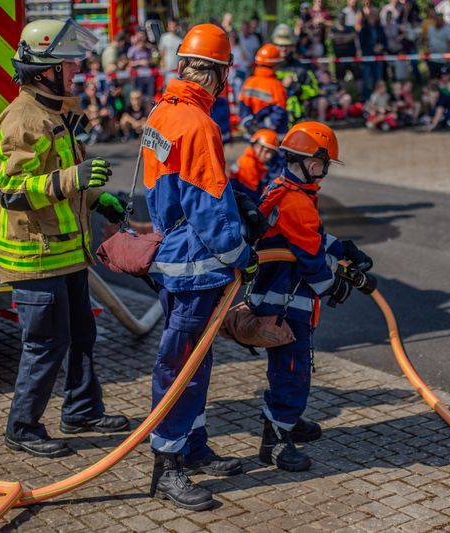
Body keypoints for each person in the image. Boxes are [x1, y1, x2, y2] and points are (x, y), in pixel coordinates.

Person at [0, 19, 129, 458]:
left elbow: (66, 181)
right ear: (45, 69)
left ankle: (82, 410)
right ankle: (22, 427)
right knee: (45, 345)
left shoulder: (56, 114)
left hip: (66, 254)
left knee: (82, 335)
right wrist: (75, 178)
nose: (76, 69)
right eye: (68, 62)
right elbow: (12, 191)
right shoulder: (23, 120)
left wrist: (100, 199)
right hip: (36, 258)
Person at [143, 24, 262, 511]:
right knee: (182, 366)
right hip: (195, 265)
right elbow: (209, 209)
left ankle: (192, 447)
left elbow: (172, 189)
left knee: (195, 361)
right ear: (218, 73)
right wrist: (243, 257)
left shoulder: (162, 111)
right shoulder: (199, 125)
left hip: (174, 254)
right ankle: (167, 465)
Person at [251, 122, 373, 472]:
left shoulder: (285, 189)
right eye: (324, 164)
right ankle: (275, 440)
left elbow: (309, 237)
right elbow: (310, 259)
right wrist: (334, 285)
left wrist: (344, 249)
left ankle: (289, 420)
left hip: (280, 298)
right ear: (311, 161)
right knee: (292, 369)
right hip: (286, 303)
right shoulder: (295, 201)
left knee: (293, 364)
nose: (325, 171)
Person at [273, 24, 325, 123]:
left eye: (286, 45)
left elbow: (314, 91)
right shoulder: (267, 68)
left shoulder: (300, 68)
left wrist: (296, 86)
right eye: (280, 45)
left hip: (294, 120)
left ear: (292, 46)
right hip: (272, 119)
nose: (283, 49)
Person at [239, 43, 289, 138]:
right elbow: (279, 112)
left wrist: (250, 125)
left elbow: (243, 108)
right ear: (275, 65)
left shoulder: (249, 82)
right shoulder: (276, 85)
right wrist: (263, 127)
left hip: (252, 135)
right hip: (274, 137)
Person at [229, 129, 280, 200]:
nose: (269, 156)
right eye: (267, 151)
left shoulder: (258, 162)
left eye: (272, 152)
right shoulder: (248, 164)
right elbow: (252, 196)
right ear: (256, 147)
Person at [424, 11, 450, 80]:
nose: (439, 21)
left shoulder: (448, 29)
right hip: (432, 58)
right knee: (432, 78)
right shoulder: (430, 29)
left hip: (444, 60)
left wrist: (449, 58)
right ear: (435, 20)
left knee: (444, 79)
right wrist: (427, 50)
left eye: (441, 20)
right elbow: (427, 41)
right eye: (438, 20)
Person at [158, 19, 183, 85]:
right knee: (167, 86)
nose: (172, 28)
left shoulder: (181, 39)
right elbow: (162, 53)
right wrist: (162, 66)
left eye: (174, 26)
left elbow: (181, 55)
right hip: (167, 67)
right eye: (171, 26)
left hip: (177, 68)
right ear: (168, 27)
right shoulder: (164, 37)